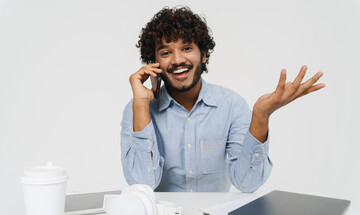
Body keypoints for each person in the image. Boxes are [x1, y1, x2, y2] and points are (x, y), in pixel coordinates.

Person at [120, 6, 325, 192]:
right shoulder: (138, 109)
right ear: (155, 63)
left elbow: (247, 183)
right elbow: (142, 185)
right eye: (166, 52)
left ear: (204, 55)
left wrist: (261, 116)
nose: (177, 59)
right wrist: (140, 105)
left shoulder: (232, 105)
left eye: (187, 48)